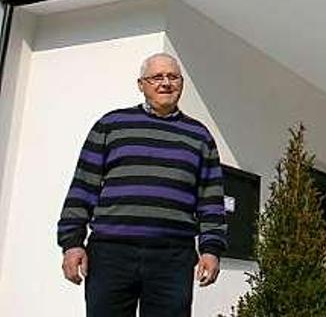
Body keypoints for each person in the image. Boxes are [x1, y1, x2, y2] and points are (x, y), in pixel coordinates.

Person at [57, 53, 227, 317]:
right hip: (111, 253)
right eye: (157, 77)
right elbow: (83, 186)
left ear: (181, 83)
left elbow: (211, 200)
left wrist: (211, 249)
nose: (166, 83)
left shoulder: (200, 136)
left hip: (173, 257)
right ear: (141, 84)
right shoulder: (110, 125)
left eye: (173, 77)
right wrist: (72, 243)